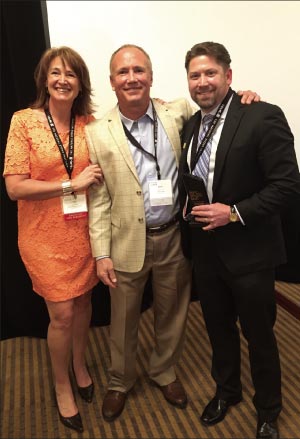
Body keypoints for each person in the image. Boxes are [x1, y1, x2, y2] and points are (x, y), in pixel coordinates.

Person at [85, 43, 259, 422]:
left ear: (151, 76)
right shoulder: (97, 133)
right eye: (123, 72)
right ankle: (120, 381)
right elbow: (98, 201)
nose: (132, 78)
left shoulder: (177, 112)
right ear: (112, 81)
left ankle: (164, 371)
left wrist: (245, 97)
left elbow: (219, 112)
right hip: (126, 241)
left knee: (173, 313)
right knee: (124, 320)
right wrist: (101, 253)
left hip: (174, 238)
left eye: (139, 70)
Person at [178, 41, 300, 439]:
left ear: (228, 76)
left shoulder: (261, 115)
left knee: (260, 335)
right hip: (207, 250)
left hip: (250, 251)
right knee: (217, 328)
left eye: (210, 73)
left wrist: (232, 212)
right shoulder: (193, 125)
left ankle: (268, 409)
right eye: (195, 75)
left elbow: (287, 185)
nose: (202, 82)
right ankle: (226, 391)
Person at [3, 46, 103, 433]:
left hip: (83, 231)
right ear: (45, 79)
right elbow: (15, 188)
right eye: (56, 73)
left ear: (80, 84)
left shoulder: (88, 123)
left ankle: (80, 366)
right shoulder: (23, 122)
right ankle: (62, 383)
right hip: (42, 237)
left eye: (71, 74)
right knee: (61, 314)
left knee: (83, 302)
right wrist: (70, 184)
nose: (63, 80)